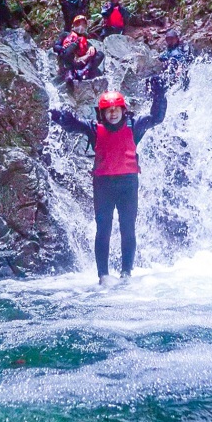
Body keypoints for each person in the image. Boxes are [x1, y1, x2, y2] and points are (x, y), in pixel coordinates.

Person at [49, 77, 167, 284]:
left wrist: (159, 95)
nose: (113, 113)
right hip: (103, 185)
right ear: (102, 113)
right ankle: (103, 275)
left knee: (127, 228)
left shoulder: (135, 125)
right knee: (103, 228)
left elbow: (157, 117)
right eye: (108, 110)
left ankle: (126, 273)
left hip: (128, 184)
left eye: (116, 109)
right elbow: (72, 125)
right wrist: (59, 117)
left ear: (123, 110)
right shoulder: (94, 128)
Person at [53, 15, 104, 82]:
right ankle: (69, 72)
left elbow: (91, 49)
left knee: (100, 54)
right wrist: (63, 48)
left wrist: (92, 48)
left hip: (81, 63)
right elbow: (55, 47)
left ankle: (84, 71)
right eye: (78, 23)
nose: (81, 26)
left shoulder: (84, 39)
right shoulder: (65, 35)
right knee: (72, 46)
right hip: (68, 61)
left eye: (83, 25)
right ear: (74, 25)